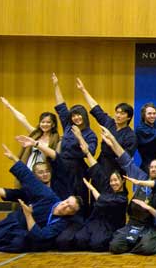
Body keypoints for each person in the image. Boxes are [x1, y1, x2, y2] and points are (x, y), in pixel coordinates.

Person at [0, 145, 82, 252]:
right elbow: (27, 177)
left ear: (71, 213)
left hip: (26, 232)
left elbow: (41, 236)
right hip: (16, 221)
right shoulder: (48, 195)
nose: (65, 206)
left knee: (17, 244)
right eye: (67, 202)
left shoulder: (61, 223)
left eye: (70, 208)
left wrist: (29, 215)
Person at [55, 127, 128, 251]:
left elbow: (102, 199)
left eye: (116, 180)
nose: (113, 183)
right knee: (79, 240)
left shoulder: (122, 197)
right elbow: (96, 167)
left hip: (110, 225)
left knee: (97, 245)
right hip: (95, 220)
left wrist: (91, 188)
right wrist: (87, 152)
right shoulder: (107, 185)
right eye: (112, 180)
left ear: (123, 181)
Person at [108, 127, 156, 255]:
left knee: (147, 249)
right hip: (133, 224)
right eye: (151, 167)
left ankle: (140, 242)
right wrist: (113, 141)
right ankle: (134, 240)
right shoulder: (141, 177)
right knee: (115, 247)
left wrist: (149, 208)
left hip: (151, 227)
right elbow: (126, 160)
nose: (153, 169)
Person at [52, 73, 98, 214]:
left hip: (78, 169)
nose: (76, 117)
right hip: (61, 165)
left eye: (79, 114)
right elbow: (61, 106)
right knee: (60, 193)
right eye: (74, 115)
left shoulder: (90, 134)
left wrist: (79, 136)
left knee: (78, 196)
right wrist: (56, 85)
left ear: (84, 116)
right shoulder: (68, 126)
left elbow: (90, 152)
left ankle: (81, 220)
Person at [76, 78, 137, 174]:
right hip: (101, 164)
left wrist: (112, 143)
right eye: (117, 112)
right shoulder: (109, 123)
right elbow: (96, 108)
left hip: (116, 170)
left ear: (129, 117)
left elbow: (126, 158)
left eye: (122, 113)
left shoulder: (130, 135)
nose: (118, 115)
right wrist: (83, 90)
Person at [0, 97, 60, 170]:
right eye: (42, 122)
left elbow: (55, 157)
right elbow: (23, 119)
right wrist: (9, 106)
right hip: (29, 167)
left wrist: (37, 145)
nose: (45, 124)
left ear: (53, 124)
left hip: (45, 171)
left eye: (48, 122)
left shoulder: (56, 139)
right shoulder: (35, 134)